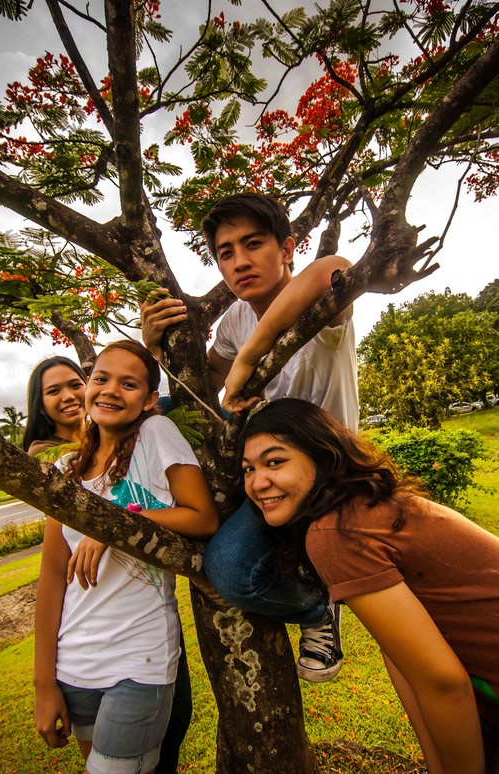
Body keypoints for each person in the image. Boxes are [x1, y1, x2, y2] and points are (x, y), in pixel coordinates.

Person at [141, 192, 358, 682]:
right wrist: (153, 349)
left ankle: (317, 605)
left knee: (232, 572)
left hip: (324, 469)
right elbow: (197, 391)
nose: (239, 262)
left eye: (253, 244)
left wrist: (248, 356)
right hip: (262, 459)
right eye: (226, 252)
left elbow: (335, 267)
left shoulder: (320, 305)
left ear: (287, 249)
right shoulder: (235, 319)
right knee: (166, 411)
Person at [239, 397, 499, 774]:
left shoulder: (335, 532)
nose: (257, 482)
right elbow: (400, 658)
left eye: (275, 462)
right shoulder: (358, 508)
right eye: (248, 469)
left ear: (322, 457)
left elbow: (444, 683)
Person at [34, 340, 218, 774]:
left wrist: (114, 526)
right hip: (73, 661)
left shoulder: (156, 434)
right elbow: (52, 577)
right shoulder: (65, 471)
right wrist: (44, 683)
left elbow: (203, 517)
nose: (111, 390)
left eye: (129, 384)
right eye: (101, 378)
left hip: (140, 658)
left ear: (150, 399)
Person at [23, 356, 87, 456]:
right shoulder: (45, 452)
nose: (68, 397)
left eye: (75, 385)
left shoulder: (105, 437)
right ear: (40, 406)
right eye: (53, 391)